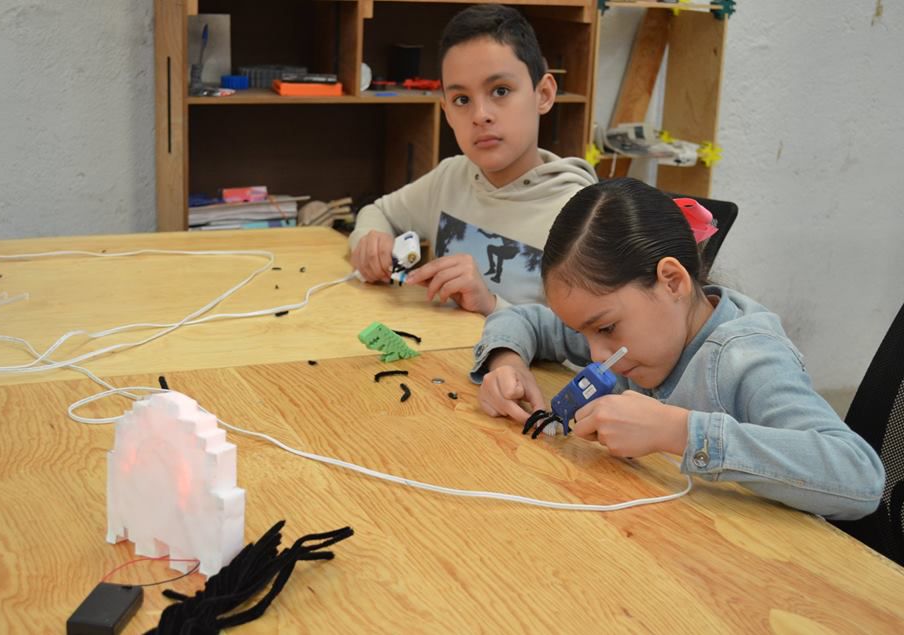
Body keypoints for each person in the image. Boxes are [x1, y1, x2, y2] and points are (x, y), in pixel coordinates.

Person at [472, 177, 884, 520]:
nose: (596, 355)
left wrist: (677, 432)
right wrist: (507, 360)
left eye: (606, 328)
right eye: (583, 332)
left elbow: (860, 476)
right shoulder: (630, 333)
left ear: (672, 281)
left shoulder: (748, 359)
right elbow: (522, 319)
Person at [348, 4, 597, 316]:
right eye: (462, 100)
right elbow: (378, 212)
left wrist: (491, 305)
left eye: (501, 90)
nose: (480, 115)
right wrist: (372, 244)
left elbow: (588, 340)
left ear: (544, 94)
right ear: (447, 112)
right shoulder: (450, 178)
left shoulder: (584, 218)